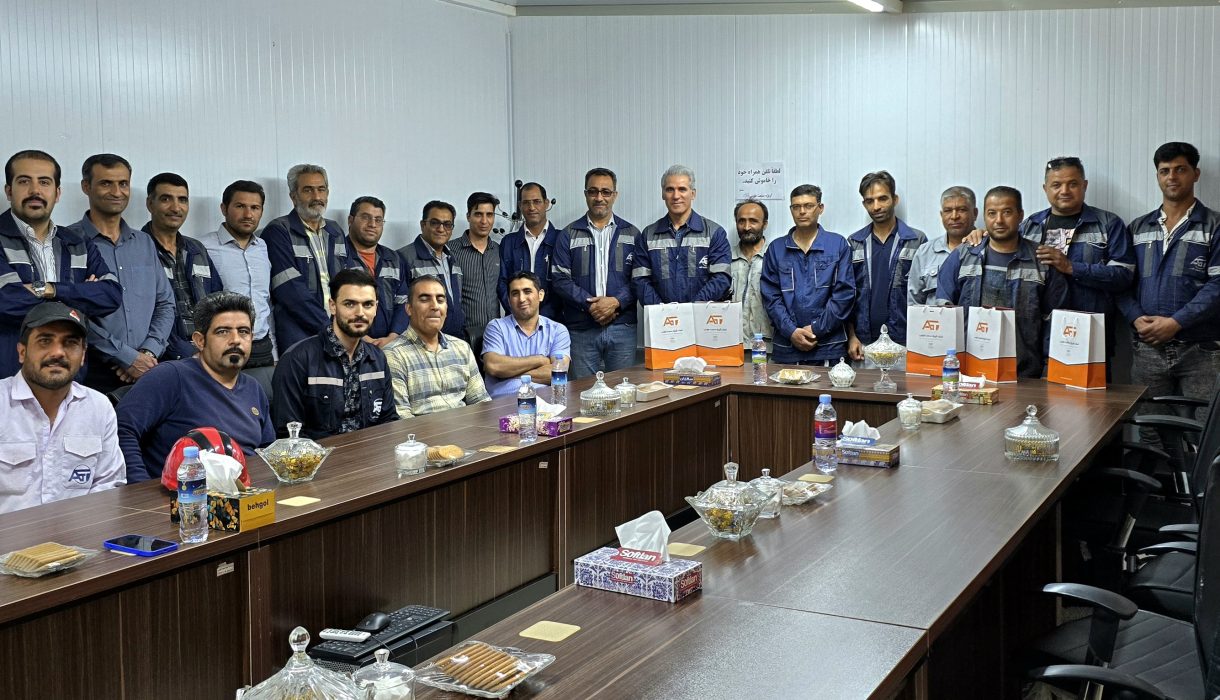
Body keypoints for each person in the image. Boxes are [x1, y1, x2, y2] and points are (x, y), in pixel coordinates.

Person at [117, 291, 274, 483]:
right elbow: (122, 429)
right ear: (200, 341)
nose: (235, 339)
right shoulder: (170, 377)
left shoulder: (254, 388)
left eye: (243, 331)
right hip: (186, 496)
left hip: (246, 492)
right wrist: (141, 488)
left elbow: (266, 451)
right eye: (223, 331)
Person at [1119, 142, 1220, 430]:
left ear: (1195, 174)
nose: (1172, 177)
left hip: (1201, 350)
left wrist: (1176, 323)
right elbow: (1122, 283)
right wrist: (1136, 318)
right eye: (1165, 171)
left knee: (1205, 433)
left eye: (1180, 169)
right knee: (1150, 431)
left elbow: (1217, 285)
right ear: (1157, 176)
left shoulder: (1214, 225)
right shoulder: (1138, 228)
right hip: (1147, 348)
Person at [0, 150, 122, 379]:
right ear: (9, 191)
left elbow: (111, 294)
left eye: (44, 182)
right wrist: (80, 297)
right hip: (8, 377)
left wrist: (48, 289)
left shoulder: (78, 242)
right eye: (24, 181)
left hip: (70, 377)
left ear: (57, 193)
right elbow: (6, 301)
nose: (35, 191)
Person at [0, 302, 125, 515]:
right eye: (45, 341)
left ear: (83, 355)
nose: (58, 352)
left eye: (70, 343)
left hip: (80, 535)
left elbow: (109, 485)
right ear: (22, 352)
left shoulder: (98, 407)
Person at [67, 154, 175, 395]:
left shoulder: (144, 242)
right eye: (106, 183)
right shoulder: (68, 242)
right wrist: (125, 357)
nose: (117, 192)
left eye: (123, 184)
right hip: (92, 372)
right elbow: (71, 312)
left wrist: (147, 353)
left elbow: (166, 303)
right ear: (86, 187)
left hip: (148, 368)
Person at [936, 186, 1068, 379]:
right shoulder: (963, 256)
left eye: (1007, 212)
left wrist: (1048, 373)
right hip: (968, 373)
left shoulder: (1041, 261)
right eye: (992, 213)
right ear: (984, 216)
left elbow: (1055, 323)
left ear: (1020, 215)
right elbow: (944, 312)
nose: (999, 220)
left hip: (1025, 375)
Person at [1020, 156, 1136, 357]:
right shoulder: (1030, 226)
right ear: (1045, 188)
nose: (1064, 191)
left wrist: (1072, 267)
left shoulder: (1108, 224)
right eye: (1056, 185)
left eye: (1072, 184)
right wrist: (978, 234)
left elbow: (1124, 276)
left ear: (1085, 185)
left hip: (1091, 336)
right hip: (1037, 338)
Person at [272, 268, 398, 438]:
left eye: (367, 304)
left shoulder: (378, 358)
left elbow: (388, 421)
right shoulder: (297, 359)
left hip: (371, 451)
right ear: (332, 306)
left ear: (376, 307)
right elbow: (289, 434)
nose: (360, 313)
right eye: (350, 304)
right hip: (318, 454)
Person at [552, 168, 639, 378]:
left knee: (623, 390)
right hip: (581, 328)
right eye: (593, 191)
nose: (599, 198)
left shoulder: (632, 234)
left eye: (605, 192)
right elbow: (560, 279)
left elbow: (640, 279)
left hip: (622, 327)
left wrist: (616, 302)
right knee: (582, 391)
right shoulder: (568, 234)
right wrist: (591, 305)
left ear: (615, 195)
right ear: (585, 194)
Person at [760, 185, 854, 365]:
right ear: (791, 210)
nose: (802, 211)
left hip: (829, 347)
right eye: (796, 207)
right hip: (787, 347)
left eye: (808, 206)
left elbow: (844, 295)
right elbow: (770, 297)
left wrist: (817, 329)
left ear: (820, 208)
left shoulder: (838, 245)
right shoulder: (776, 249)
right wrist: (791, 331)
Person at [264, 164, 354, 349]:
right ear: (293, 196)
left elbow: (350, 281)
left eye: (321, 189)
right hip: (300, 336)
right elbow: (291, 292)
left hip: (341, 331)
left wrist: (348, 324)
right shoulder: (278, 231)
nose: (316, 197)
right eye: (308, 190)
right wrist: (330, 329)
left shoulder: (335, 230)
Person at [141, 172, 223, 360]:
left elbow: (217, 300)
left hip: (206, 350)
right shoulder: (136, 249)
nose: (176, 207)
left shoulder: (197, 249)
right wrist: (184, 351)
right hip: (160, 355)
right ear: (150, 204)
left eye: (182, 200)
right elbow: (138, 313)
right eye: (166, 199)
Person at [383, 275, 490, 417]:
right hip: (421, 431)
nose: (435, 306)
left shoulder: (462, 348)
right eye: (424, 299)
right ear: (409, 308)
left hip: (467, 428)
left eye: (440, 300)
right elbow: (402, 418)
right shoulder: (394, 354)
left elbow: (481, 403)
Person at [846, 171, 926, 359]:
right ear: (864, 204)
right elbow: (847, 295)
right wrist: (851, 336)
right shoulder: (855, 243)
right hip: (863, 345)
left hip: (905, 344)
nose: (876, 206)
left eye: (882, 199)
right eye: (870, 201)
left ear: (895, 199)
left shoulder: (917, 240)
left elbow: (925, 296)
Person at [199, 180, 276, 368]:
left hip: (262, 348)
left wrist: (274, 352)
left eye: (255, 208)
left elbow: (266, 301)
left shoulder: (263, 247)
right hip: (224, 348)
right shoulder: (203, 247)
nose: (248, 214)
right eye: (240, 206)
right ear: (224, 208)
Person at [632, 165, 731, 305]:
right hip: (661, 316)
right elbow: (640, 280)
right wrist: (661, 311)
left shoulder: (714, 233)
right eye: (670, 189)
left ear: (693, 194)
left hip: (701, 315)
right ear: (663, 194)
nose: (676, 196)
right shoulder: (648, 235)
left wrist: (692, 310)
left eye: (682, 189)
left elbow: (721, 278)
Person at [482, 271, 571, 398]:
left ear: (540, 295)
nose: (521, 299)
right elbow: (494, 366)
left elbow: (558, 374)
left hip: (545, 401)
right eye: (515, 293)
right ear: (509, 300)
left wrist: (509, 373)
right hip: (504, 403)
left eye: (527, 291)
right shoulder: (496, 327)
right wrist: (540, 360)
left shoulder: (558, 330)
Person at [346, 196, 408, 347]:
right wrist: (364, 338)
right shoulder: (338, 255)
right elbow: (334, 303)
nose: (372, 224)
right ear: (350, 220)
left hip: (390, 344)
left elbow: (403, 301)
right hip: (350, 343)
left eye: (378, 220)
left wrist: (393, 336)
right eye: (365, 217)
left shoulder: (393, 258)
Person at [399, 201, 467, 339]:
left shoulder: (453, 258)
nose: (441, 229)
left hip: (454, 338)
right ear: (423, 225)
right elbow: (401, 305)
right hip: (420, 340)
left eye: (447, 224)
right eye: (435, 223)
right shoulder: (404, 257)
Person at [449, 192, 503, 358]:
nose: (484, 221)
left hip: (495, 336)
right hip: (460, 337)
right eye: (478, 214)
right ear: (468, 216)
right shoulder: (450, 251)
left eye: (489, 215)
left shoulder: (499, 250)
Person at [499, 182, 563, 321]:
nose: (532, 207)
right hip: (515, 322)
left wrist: (541, 318)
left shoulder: (561, 239)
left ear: (546, 203)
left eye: (537, 201)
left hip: (552, 322)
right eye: (526, 203)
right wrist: (518, 312)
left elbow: (564, 283)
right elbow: (503, 283)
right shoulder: (508, 242)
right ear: (520, 206)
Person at [908, 186, 976, 305]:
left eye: (962, 210)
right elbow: (914, 303)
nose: (954, 216)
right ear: (941, 214)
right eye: (948, 210)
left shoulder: (986, 249)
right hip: (934, 317)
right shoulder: (925, 252)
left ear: (975, 213)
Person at [731, 199, 773, 350]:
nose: (746, 227)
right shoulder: (725, 259)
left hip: (768, 347)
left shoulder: (774, 258)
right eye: (741, 221)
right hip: (733, 346)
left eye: (753, 221)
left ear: (764, 224)